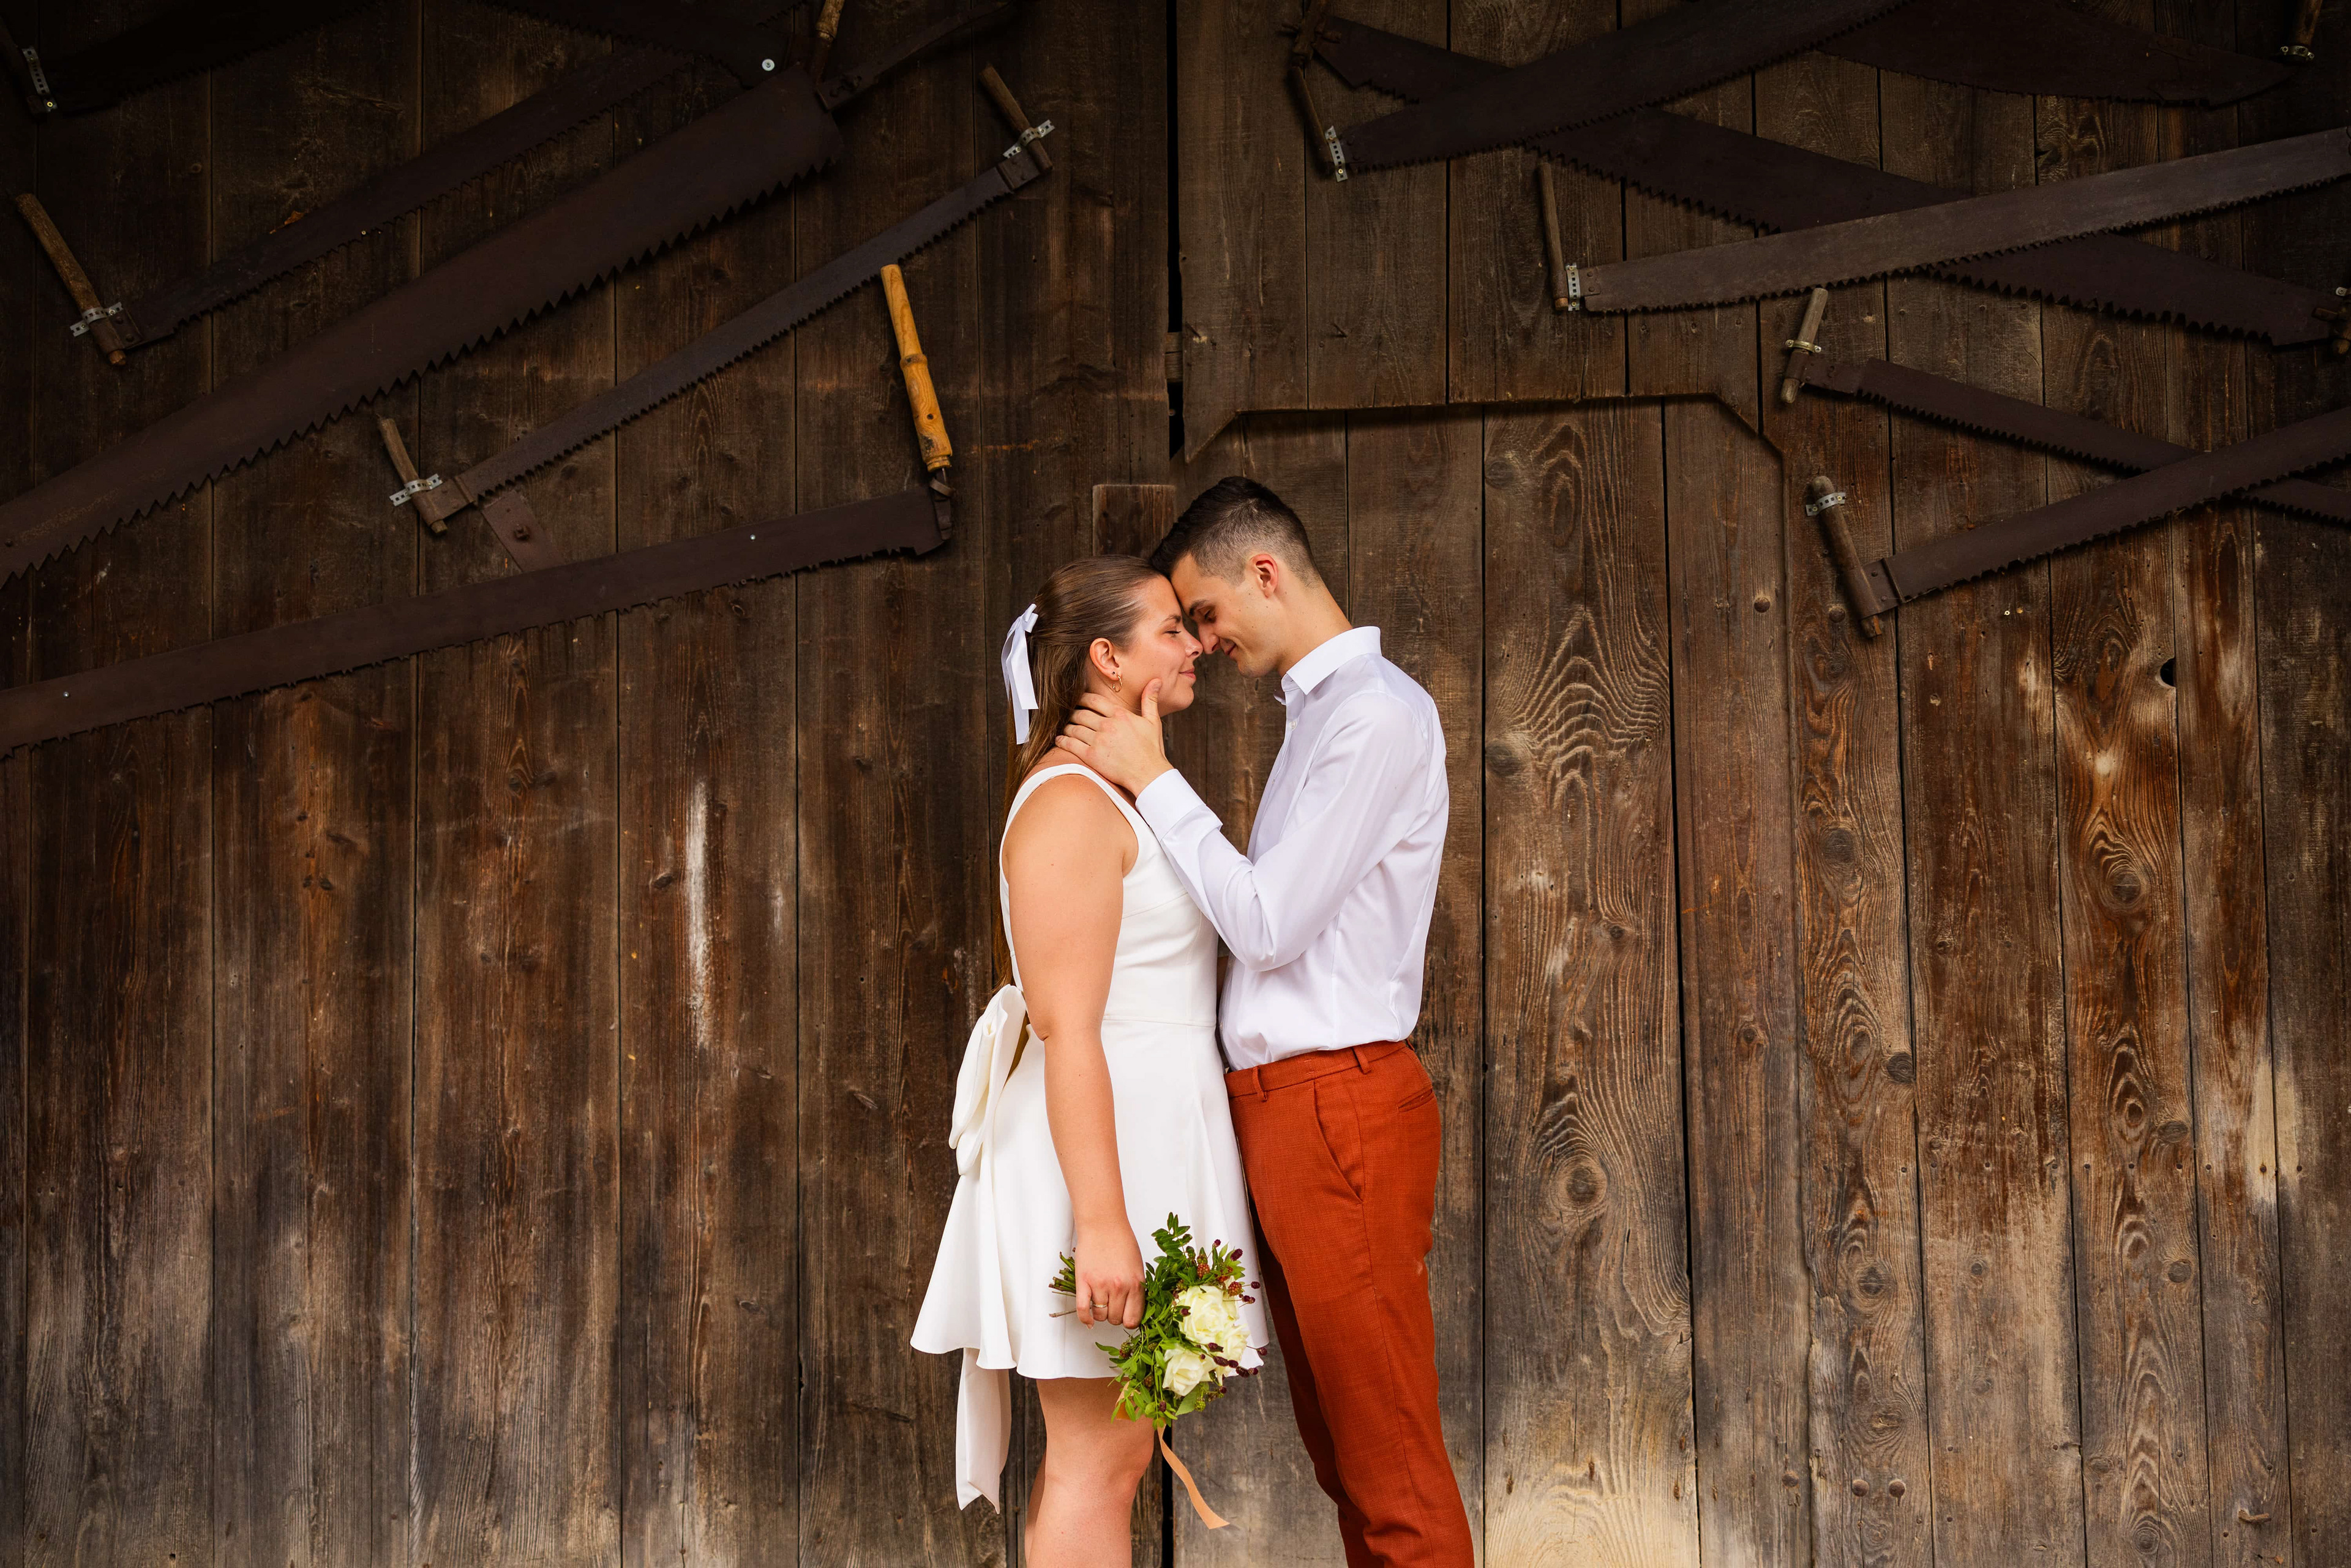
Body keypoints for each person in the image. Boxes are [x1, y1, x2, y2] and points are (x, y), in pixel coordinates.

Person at [1055, 476, 1474, 1568]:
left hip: (1338, 1103)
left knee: (1389, 1462)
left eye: (1202, 613)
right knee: (1344, 1452)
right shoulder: (1322, 716)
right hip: (1291, 1115)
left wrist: (1153, 780)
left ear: (1266, 574)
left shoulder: (1377, 714)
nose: (1202, 642)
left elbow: (1273, 923)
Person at [912, 554, 1267, 1568]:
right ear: (1106, 659)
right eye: (1168, 628)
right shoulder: (1070, 803)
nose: (1194, 641)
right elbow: (1069, 1026)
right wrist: (1104, 1224)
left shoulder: (1130, 794)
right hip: (1094, 1167)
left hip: (1146, 1141)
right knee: (1096, 1458)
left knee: (1113, 1455)